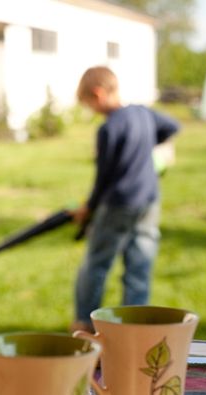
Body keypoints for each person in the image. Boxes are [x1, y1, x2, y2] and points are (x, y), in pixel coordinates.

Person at [69, 66, 180, 333]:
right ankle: (135, 326)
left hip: (118, 204)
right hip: (149, 201)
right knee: (139, 264)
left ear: (98, 94)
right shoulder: (143, 113)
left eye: (88, 104)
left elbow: (103, 178)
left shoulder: (109, 129)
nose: (91, 110)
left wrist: (89, 207)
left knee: (96, 262)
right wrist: (149, 143)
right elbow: (173, 126)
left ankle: (84, 322)